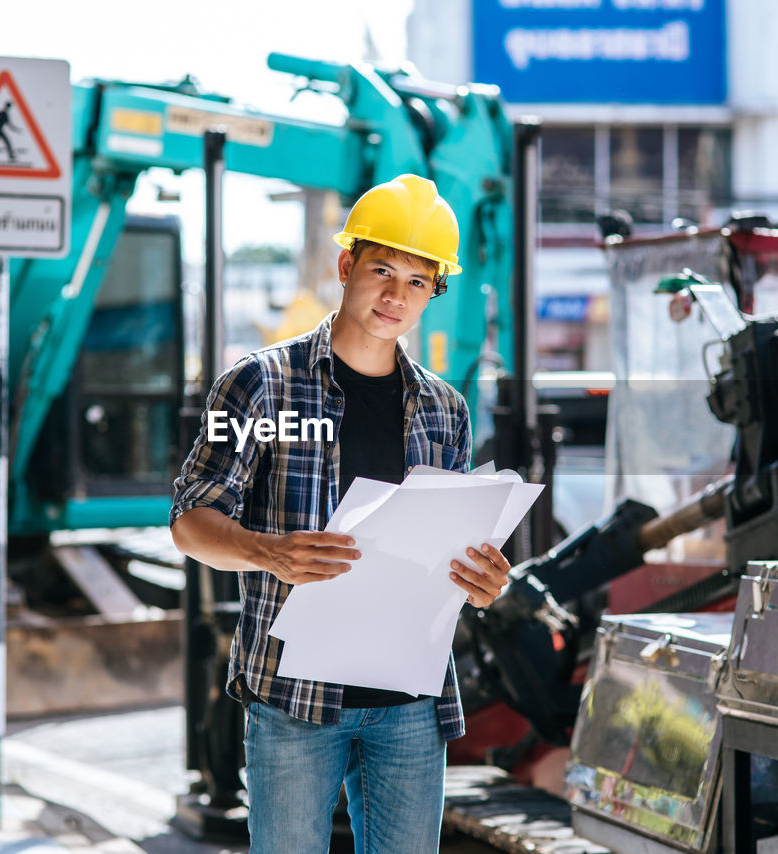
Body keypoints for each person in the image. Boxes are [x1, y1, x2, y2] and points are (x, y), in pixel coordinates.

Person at [170, 173, 512, 853]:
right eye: (382, 270)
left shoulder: (445, 410)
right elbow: (191, 521)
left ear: (433, 294)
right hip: (296, 701)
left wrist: (483, 583)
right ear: (346, 265)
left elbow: (446, 549)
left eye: (418, 281)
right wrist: (268, 551)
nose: (395, 295)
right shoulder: (263, 387)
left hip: (410, 706)